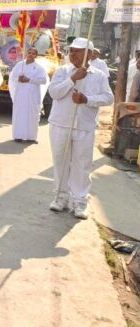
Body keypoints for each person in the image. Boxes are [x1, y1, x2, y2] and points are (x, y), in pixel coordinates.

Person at [48, 38, 113, 219]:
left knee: (82, 164)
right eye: (72, 51)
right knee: (60, 162)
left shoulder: (99, 75)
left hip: (84, 126)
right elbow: (54, 93)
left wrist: (87, 100)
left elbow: (108, 98)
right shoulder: (62, 71)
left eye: (78, 51)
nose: (73, 54)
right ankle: (60, 198)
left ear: (90, 55)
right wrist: (72, 79)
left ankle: (80, 200)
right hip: (61, 124)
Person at [9, 48, 49, 143]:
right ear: (26, 54)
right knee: (20, 113)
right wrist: (18, 78)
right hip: (20, 94)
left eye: (33, 53)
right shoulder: (20, 65)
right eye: (29, 53)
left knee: (32, 114)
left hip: (33, 95)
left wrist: (29, 80)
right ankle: (18, 135)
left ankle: (31, 137)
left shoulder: (39, 67)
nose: (31, 55)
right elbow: (12, 77)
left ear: (36, 55)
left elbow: (44, 80)